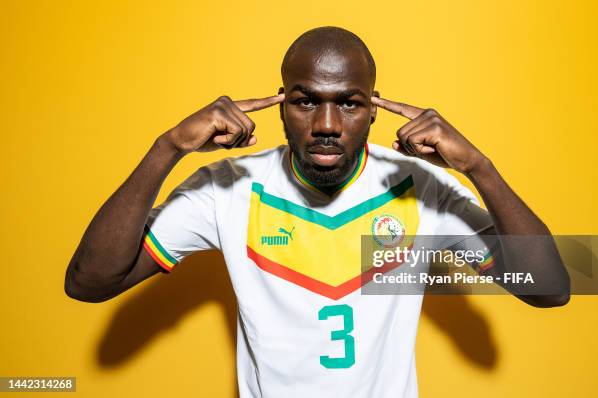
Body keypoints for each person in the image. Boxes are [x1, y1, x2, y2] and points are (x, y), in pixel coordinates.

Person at [65, 26, 570, 397]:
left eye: (348, 104)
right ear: (280, 104)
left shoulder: (422, 189)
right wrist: (166, 147)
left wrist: (481, 168)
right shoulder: (228, 188)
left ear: (374, 107)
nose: (327, 123)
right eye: (306, 102)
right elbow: (89, 282)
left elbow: (550, 289)